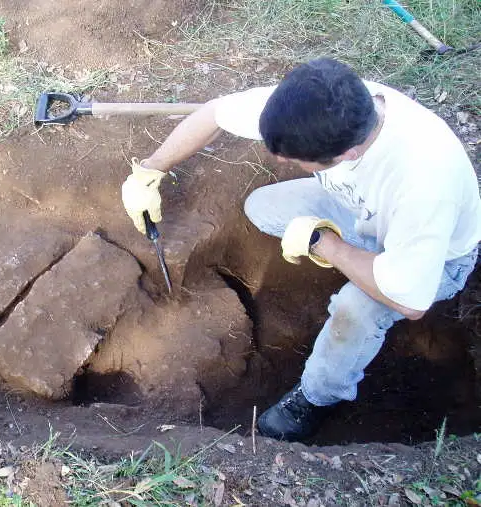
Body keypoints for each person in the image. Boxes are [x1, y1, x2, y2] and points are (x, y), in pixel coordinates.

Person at [121, 58, 480, 441]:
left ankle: (317, 398)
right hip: (361, 210)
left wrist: (325, 243)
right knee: (263, 207)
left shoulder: (423, 180)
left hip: (433, 263)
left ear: (349, 154)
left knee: (354, 309)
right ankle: (343, 256)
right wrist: (150, 170)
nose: (279, 160)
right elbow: (214, 113)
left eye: (293, 159)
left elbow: (411, 300)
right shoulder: (321, 105)